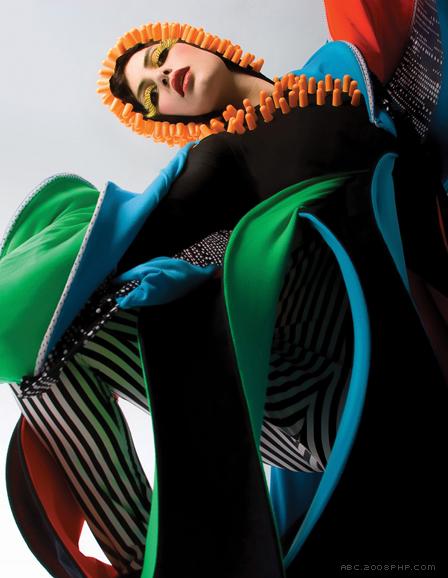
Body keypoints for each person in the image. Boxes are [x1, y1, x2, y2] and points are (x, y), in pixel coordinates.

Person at [1, 2, 447, 577]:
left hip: (398, 344)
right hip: (313, 402)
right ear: (165, 119)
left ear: (196, 42)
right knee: (53, 347)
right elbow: (172, 239)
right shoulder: (208, 164)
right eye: (150, 93)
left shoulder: (339, 74)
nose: (163, 77)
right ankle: (150, 562)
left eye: (160, 58)